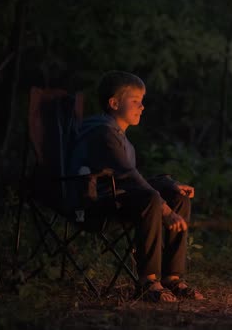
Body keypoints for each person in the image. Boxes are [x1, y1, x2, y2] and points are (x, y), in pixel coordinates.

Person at [69, 70, 202, 302]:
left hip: (118, 198)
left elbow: (130, 179)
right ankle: (148, 281)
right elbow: (129, 177)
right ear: (114, 103)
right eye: (135, 101)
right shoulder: (103, 132)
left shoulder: (120, 137)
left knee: (177, 195)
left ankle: (172, 278)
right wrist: (164, 209)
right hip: (94, 205)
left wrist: (168, 184)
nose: (142, 107)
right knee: (150, 199)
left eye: (142, 102)